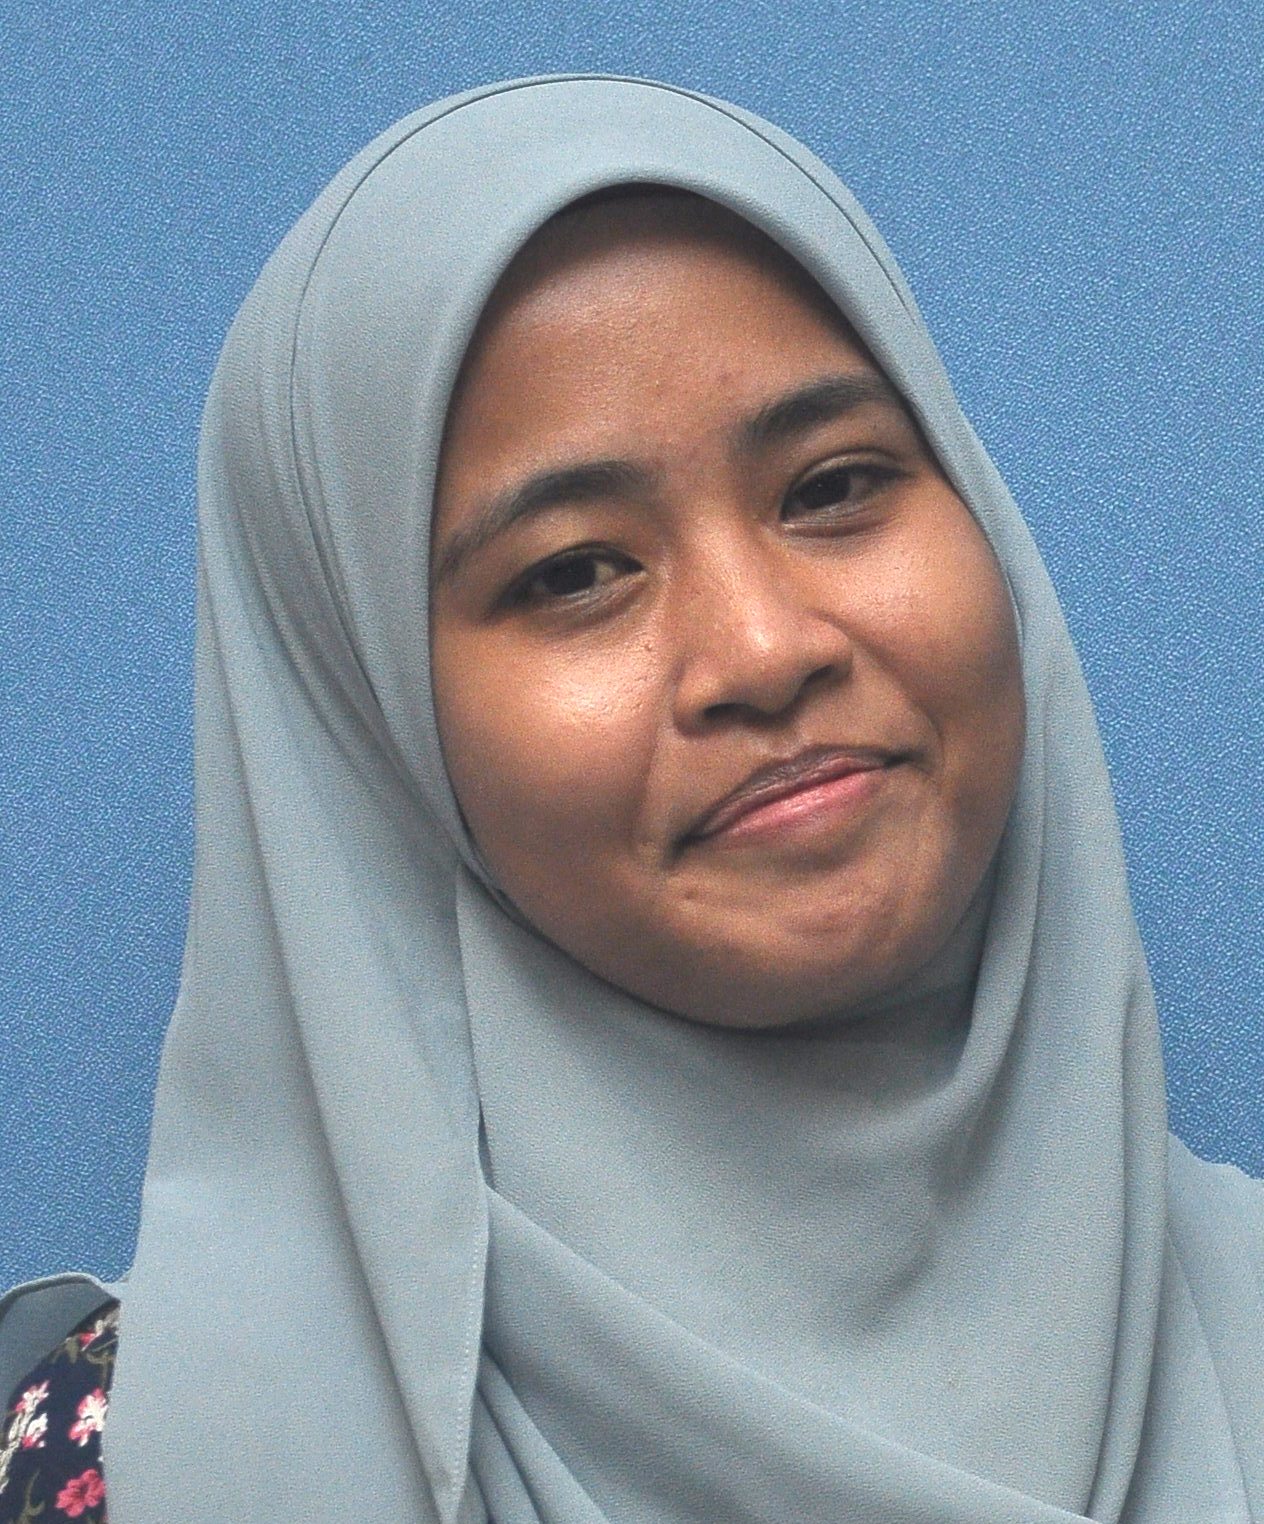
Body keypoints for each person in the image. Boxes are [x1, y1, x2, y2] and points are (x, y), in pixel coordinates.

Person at [2, 74, 1262, 1523]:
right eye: (573, 572)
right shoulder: (121, 1471)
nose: (766, 649)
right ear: (374, 729)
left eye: (835, 486)